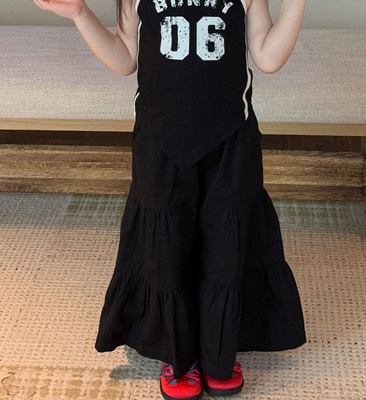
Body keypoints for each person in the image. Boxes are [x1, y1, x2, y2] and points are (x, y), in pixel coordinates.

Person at [34, 0, 307, 399]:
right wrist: (79, 14)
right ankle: (178, 353)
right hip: (160, 141)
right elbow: (125, 59)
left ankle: (219, 350)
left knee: (226, 245)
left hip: (230, 140)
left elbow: (268, 57)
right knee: (166, 249)